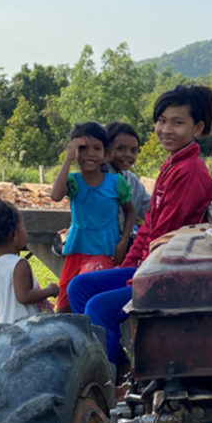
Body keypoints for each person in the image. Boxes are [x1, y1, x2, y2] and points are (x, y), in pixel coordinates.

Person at [68, 84, 212, 368]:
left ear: (197, 127)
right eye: (161, 121)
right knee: (79, 287)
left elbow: (167, 237)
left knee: (99, 307)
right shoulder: (171, 165)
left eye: (177, 123)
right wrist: (132, 263)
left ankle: (113, 381)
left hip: (173, 273)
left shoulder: (190, 172)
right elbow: (149, 225)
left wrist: (136, 277)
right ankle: (115, 369)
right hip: (153, 265)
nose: (166, 129)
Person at [50, 122, 135, 312]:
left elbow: (130, 211)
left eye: (97, 148)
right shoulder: (74, 181)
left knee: (87, 294)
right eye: (83, 148)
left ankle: (92, 338)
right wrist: (67, 159)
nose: (90, 154)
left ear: (105, 153)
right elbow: (55, 195)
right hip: (76, 249)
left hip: (103, 250)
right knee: (63, 306)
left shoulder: (115, 183)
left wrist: (123, 241)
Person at [0, 199, 59, 324]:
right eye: (22, 226)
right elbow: (24, 296)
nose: (25, 231)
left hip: (7, 333)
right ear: (12, 234)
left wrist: (0, 331)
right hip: (27, 330)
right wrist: (50, 290)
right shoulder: (18, 264)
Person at [105, 121, 152, 224]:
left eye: (133, 150)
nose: (128, 154)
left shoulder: (132, 180)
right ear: (106, 149)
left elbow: (150, 209)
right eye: (120, 148)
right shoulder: (97, 177)